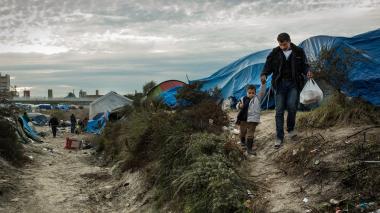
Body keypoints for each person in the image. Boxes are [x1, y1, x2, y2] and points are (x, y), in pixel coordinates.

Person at [260, 33, 313, 149]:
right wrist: (264, 74)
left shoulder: (299, 51)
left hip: (294, 84)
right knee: (279, 111)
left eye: (284, 44)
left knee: (292, 106)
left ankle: (291, 129)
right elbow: (267, 67)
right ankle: (279, 137)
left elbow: (305, 65)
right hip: (279, 85)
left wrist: (308, 71)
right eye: (280, 45)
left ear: (289, 41)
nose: (282, 47)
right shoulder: (274, 53)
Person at [236, 84, 266, 155]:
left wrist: (263, 84)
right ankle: (243, 142)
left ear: (255, 93)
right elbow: (237, 105)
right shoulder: (243, 98)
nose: (251, 94)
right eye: (249, 93)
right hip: (243, 120)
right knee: (242, 132)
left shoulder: (257, 98)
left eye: (253, 93)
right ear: (246, 92)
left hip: (252, 121)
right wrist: (239, 106)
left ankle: (249, 148)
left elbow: (262, 92)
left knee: (250, 134)